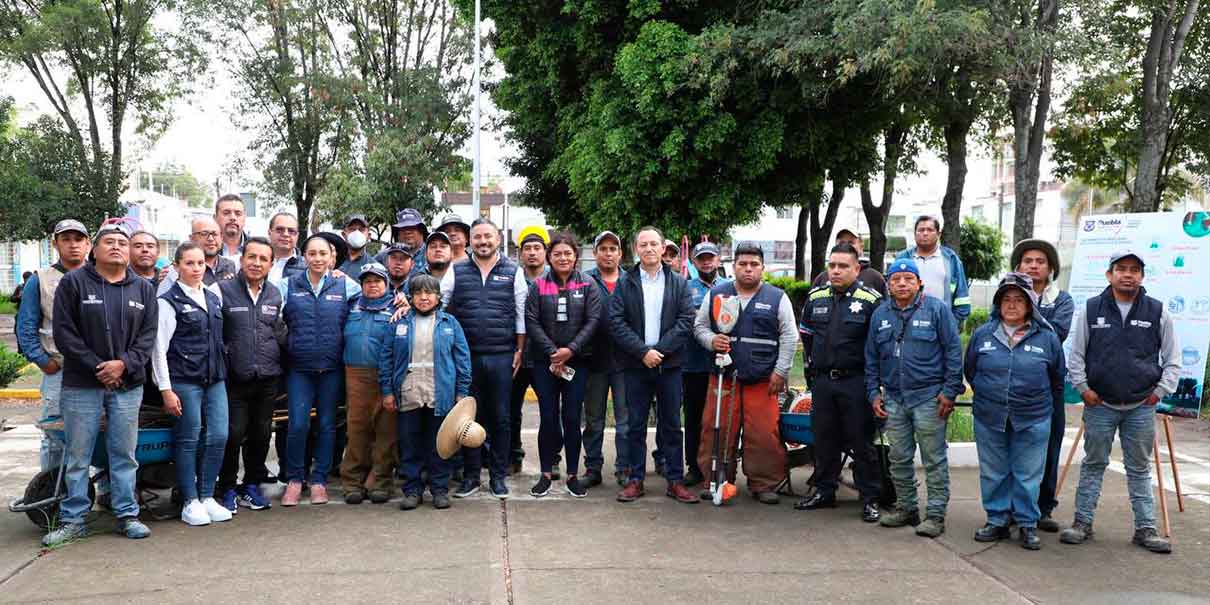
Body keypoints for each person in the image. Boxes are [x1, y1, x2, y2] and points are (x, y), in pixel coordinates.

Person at [1060, 250, 1179, 554]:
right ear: (1109, 275)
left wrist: (1158, 393)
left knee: (1139, 468)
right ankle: (1082, 523)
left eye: (1135, 270)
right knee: (1093, 464)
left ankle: (1145, 529)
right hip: (1100, 404)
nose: (1128, 274)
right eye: (1121, 269)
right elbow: (1076, 356)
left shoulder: (1157, 311)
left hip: (1141, 405)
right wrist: (1083, 388)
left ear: (1142, 276)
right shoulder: (1090, 309)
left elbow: (1173, 359)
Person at [45, 222, 157, 545]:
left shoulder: (143, 289)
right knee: (79, 456)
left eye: (123, 242)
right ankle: (74, 518)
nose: (117, 246)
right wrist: (98, 366)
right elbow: (64, 334)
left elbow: (148, 337)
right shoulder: (74, 283)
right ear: (95, 249)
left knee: (124, 453)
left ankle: (126, 514)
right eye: (109, 241)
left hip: (127, 384)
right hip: (82, 384)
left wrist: (123, 365)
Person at [965, 273, 1065, 550]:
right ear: (998, 303)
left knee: (1028, 474)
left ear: (1030, 304)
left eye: (1019, 300)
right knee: (993, 472)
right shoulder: (983, 335)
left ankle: (1027, 523)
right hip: (989, 415)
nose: (1012, 305)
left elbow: (1058, 378)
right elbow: (971, 371)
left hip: (1033, 416)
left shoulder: (1047, 338)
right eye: (1006, 299)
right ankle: (997, 520)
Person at [693, 242, 796, 504]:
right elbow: (700, 327)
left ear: (762, 268)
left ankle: (763, 484)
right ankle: (716, 479)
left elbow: (789, 336)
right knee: (716, 430)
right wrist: (711, 340)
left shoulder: (777, 297)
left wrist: (781, 371)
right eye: (742, 264)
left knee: (763, 434)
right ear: (733, 266)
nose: (748, 269)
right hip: (723, 377)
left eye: (754, 265)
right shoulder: (718, 293)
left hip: (763, 380)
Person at [866, 259, 963, 537]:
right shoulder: (880, 315)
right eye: (896, 279)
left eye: (908, 279)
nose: (902, 284)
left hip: (929, 398)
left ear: (919, 282)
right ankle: (907, 508)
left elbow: (953, 352)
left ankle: (935, 515)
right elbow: (871, 359)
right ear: (888, 284)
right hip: (895, 398)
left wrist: (950, 392)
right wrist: (874, 393)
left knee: (933, 459)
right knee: (898, 458)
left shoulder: (937, 310)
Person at [610, 226, 697, 504]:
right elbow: (615, 321)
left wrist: (658, 351)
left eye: (654, 244)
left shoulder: (679, 283)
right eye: (643, 244)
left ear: (663, 249)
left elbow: (686, 321)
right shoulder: (625, 283)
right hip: (636, 366)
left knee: (671, 424)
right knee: (635, 425)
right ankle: (636, 479)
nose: (648, 249)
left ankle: (675, 480)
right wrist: (642, 352)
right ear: (636, 249)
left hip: (669, 366)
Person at [796, 242, 883, 522]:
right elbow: (807, 336)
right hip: (823, 382)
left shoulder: (871, 301)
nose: (836, 271)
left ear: (857, 269)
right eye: (832, 265)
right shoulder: (816, 297)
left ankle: (870, 497)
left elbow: (878, 345)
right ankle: (824, 491)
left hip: (856, 382)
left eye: (843, 266)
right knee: (824, 440)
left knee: (862, 443)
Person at [443, 218, 528, 499]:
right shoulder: (457, 270)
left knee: (501, 418)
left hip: (503, 355)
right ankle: (470, 477)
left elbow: (521, 314)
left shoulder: (512, 272)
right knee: (467, 419)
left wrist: (519, 350)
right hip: (466, 358)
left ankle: (498, 476)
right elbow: (439, 302)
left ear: (498, 239)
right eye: (477, 237)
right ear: (470, 241)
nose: (483, 242)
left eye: (488, 237)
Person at [276, 233, 361, 506]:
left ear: (332, 257)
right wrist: (287, 343)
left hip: (332, 367)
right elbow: (269, 315)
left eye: (323, 254)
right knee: (297, 425)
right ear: (304, 256)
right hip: (299, 368)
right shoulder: (287, 285)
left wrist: (400, 302)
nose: (317, 259)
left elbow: (370, 302)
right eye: (312, 253)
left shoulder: (344, 284)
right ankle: (295, 479)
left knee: (326, 425)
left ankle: (320, 481)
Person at [153, 243, 231, 526]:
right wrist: (166, 389)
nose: (196, 268)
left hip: (215, 379)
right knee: (189, 439)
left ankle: (207, 495)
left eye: (200, 263)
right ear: (176, 267)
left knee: (219, 435)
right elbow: (158, 349)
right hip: (184, 380)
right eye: (189, 263)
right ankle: (190, 500)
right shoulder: (167, 301)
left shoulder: (212, 297)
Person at [380, 274, 471, 510]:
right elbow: (386, 358)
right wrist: (387, 391)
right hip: (408, 392)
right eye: (418, 293)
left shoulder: (450, 323)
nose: (423, 297)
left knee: (438, 444)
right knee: (410, 443)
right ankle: (412, 490)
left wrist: (461, 391)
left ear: (438, 297)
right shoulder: (399, 323)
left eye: (429, 293)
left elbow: (463, 360)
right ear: (410, 297)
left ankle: (439, 489)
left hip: (440, 393)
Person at [525, 233, 602, 497]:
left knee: (571, 418)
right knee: (548, 417)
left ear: (576, 256)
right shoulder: (538, 286)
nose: (563, 258)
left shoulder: (588, 285)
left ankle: (572, 474)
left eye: (568, 253)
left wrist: (570, 351)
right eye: (557, 253)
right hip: (544, 362)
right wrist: (552, 353)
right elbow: (531, 321)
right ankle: (546, 473)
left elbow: (593, 322)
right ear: (549, 257)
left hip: (576, 363)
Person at [1010, 238, 1075, 532]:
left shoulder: (1062, 300)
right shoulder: (1007, 294)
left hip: (1049, 386)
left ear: (1050, 268)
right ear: (1018, 266)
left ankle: (1042, 508)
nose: (1034, 266)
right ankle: (1012, 507)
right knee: (1011, 448)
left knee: (1048, 447)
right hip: (1011, 385)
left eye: (1040, 262)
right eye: (1028, 261)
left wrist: (1024, 317)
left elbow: (1055, 335)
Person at [17, 219, 91, 471]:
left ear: (88, 244)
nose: (73, 245)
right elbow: (25, 327)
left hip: (96, 370)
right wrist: (42, 361)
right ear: (55, 244)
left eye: (78, 239)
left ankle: (104, 490)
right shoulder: (40, 280)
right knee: (55, 436)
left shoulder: (99, 277)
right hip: (59, 369)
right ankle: (50, 493)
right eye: (66, 239)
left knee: (99, 433)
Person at [215, 237, 282, 512]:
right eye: (251, 257)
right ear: (242, 259)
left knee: (261, 435)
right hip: (235, 379)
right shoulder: (221, 290)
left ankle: (251, 486)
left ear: (270, 263)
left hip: (267, 378)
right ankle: (228, 487)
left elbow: (280, 331)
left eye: (263, 259)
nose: (256, 263)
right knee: (233, 434)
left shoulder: (275, 294)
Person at [340, 263, 399, 504]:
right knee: (356, 429)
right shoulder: (350, 305)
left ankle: (382, 480)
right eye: (367, 281)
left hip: (386, 375)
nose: (372, 285)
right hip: (355, 375)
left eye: (378, 280)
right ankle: (352, 482)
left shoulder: (398, 307)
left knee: (386, 430)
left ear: (386, 284)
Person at [583, 230, 631, 487]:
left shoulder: (631, 280)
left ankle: (623, 468)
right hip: (593, 360)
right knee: (593, 419)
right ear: (595, 253)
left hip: (625, 362)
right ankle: (593, 467)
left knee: (625, 419)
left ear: (620, 254)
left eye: (613, 249)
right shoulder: (584, 280)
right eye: (603, 249)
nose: (608, 253)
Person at [681, 242, 729, 488]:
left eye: (711, 258)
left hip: (724, 366)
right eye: (702, 258)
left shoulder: (730, 287)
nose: (707, 262)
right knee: (694, 420)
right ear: (694, 261)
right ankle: (694, 466)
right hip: (693, 365)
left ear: (718, 260)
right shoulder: (685, 287)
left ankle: (721, 467)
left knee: (721, 419)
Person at [511, 225, 550, 475]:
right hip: (515, 356)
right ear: (520, 253)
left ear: (545, 252)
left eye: (537, 248)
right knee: (511, 410)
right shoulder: (512, 278)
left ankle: (552, 458)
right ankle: (513, 456)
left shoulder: (554, 279)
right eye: (528, 249)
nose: (532, 253)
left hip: (544, 357)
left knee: (549, 411)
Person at [894, 215, 969, 322]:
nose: (925, 233)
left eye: (930, 230)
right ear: (915, 234)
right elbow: (891, 291)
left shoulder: (951, 259)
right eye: (921, 230)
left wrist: (953, 323)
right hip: (906, 322)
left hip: (941, 323)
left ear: (939, 234)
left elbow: (962, 296)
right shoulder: (903, 258)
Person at [158, 217, 238, 296]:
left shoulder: (230, 265)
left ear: (221, 238)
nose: (210, 238)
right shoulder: (175, 270)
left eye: (215, 234)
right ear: (191, 238)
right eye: (204, 234)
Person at [811, 229, 886, 296]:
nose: (846, 245)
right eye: (841, 242)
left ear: (861, 246)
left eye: (851, 242)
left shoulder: (875, 277)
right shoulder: (822, 278)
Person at [375, 208, 428, 274]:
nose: (407, 232)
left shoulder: (431, 254)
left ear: (422, 231)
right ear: (398, 234)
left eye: (412, 227)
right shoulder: (384, 256)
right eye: (403, 228)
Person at [267, 212, 305, 282]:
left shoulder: (307, 267)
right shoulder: (257, 262)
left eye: (291, 231)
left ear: (297, 236)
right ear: (269, 233)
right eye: (280, 230)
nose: (285, 234)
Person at [216, 194, 249, 261]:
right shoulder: (206, 248)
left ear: (245, 218)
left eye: (238, 213)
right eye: (226, 213)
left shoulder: (256, 247)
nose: (232, 218)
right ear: (215, 218)